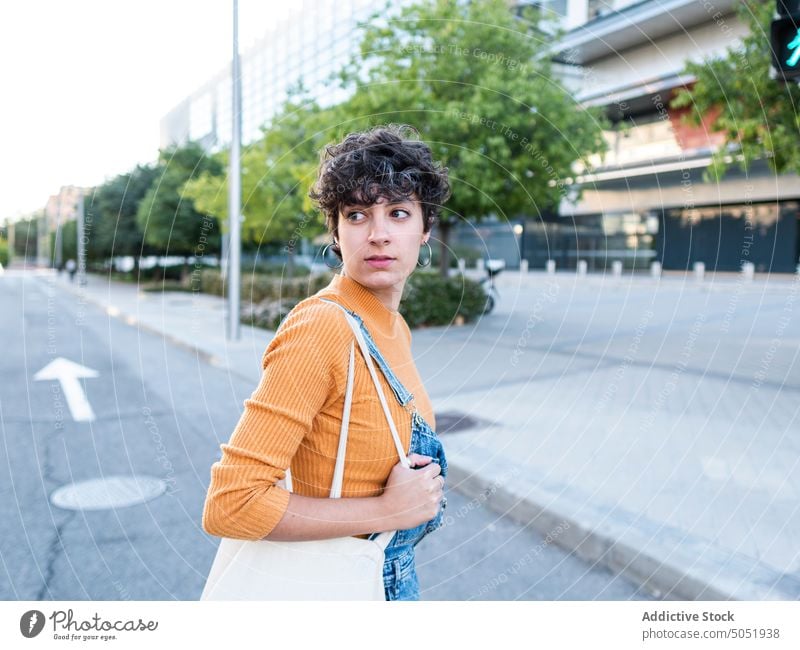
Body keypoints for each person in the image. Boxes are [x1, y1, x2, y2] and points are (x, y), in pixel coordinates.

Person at [202, 124, 451, 601]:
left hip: (383, 577)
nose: (378, 234)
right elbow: (231, 504)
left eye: (398, 213)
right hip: (324, 591)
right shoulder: (322, 328)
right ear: (336, 231)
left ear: (425, 231)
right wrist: (388, 511)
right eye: (357, 215)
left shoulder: (392, 327)